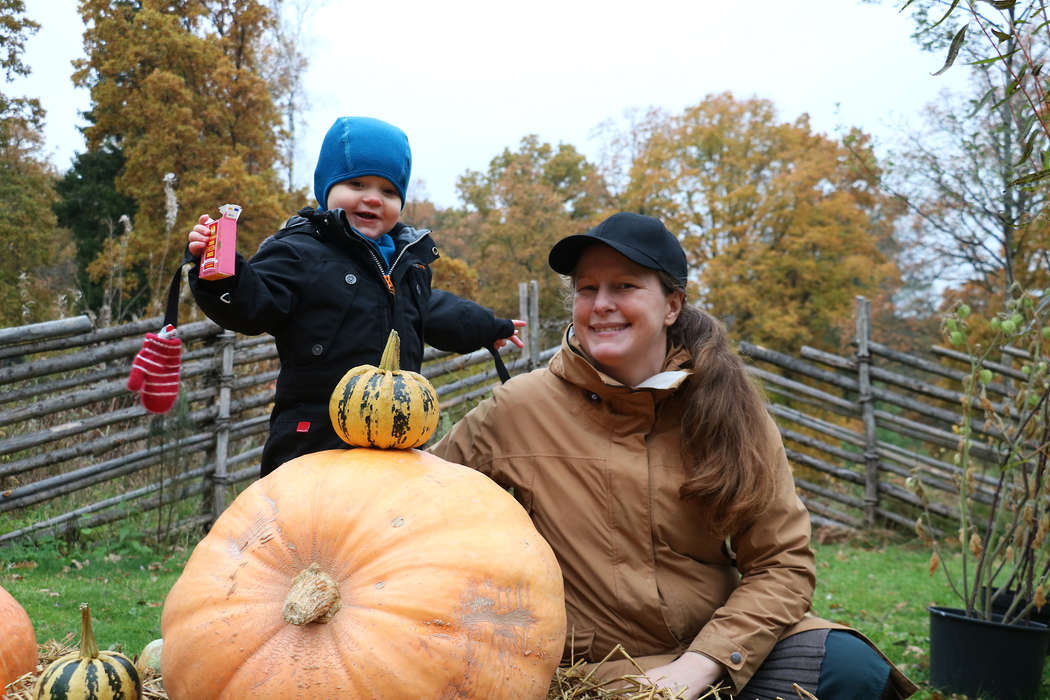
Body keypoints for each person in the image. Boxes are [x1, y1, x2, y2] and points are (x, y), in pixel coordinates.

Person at [429, 212, 917, 699]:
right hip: (602, 675)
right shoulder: (518, 409)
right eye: (586, 289)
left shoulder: (728, 409)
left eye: (623, 286)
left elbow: (782, 563)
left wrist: (704, 663)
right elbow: (418, 500)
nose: (601, 305)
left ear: (671, 306)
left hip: (724, 652)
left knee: (850, 669)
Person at [186, 116, 523, 477]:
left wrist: (489, 326)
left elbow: (435, 311)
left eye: (389, 191)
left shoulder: (406, 263)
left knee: (385, 530)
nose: (374, 198)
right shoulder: (301, 251)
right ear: (327, 188)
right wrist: (221, 275)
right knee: (309, 534)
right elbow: (253, 304)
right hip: (313, 445)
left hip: (394, 444)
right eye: (357, 183)